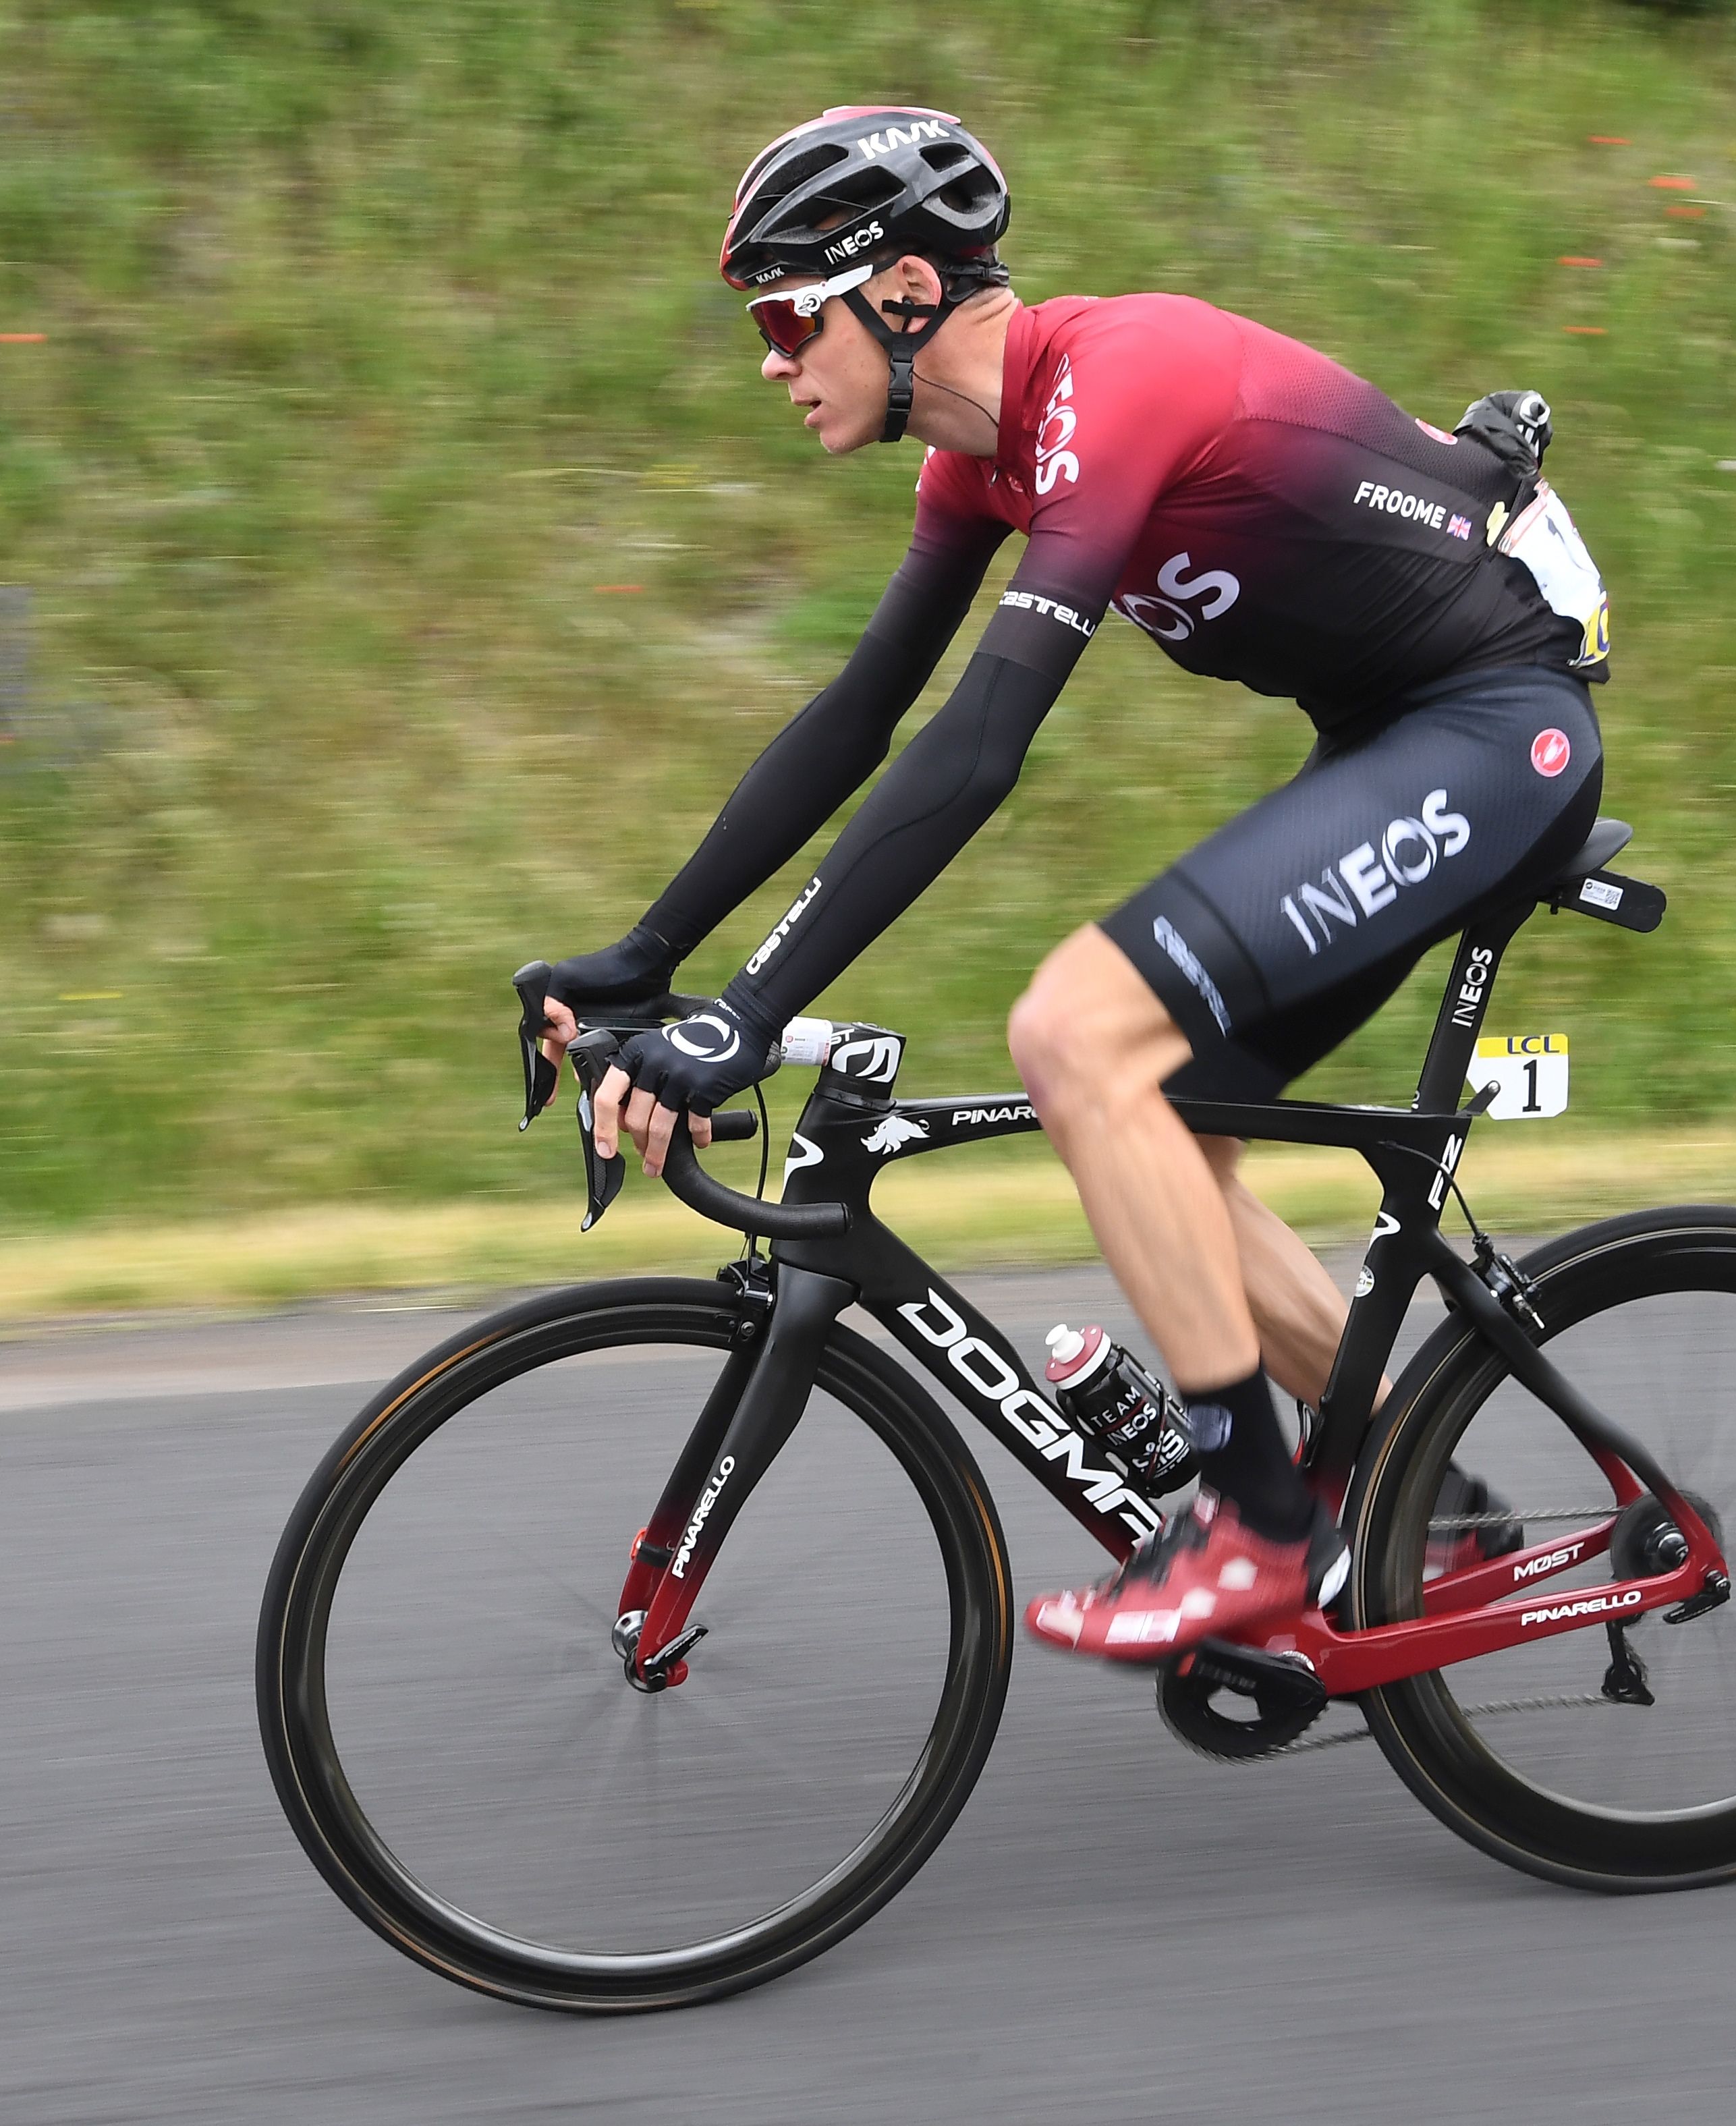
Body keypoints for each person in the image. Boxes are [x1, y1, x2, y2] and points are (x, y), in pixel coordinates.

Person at [536, 106, 1610, 1662]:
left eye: (783, 314)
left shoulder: (1111, 383)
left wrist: (758, 1010)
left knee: (1076, 1034)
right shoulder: (976, 468)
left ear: (901, 291)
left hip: (1496, 729)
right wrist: (650, 957)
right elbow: (858, 720)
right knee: (1156, 1112)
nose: (768, 359)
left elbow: (978, 744)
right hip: (1393, 735)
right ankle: (1420, 1491)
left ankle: (1250, 1524)